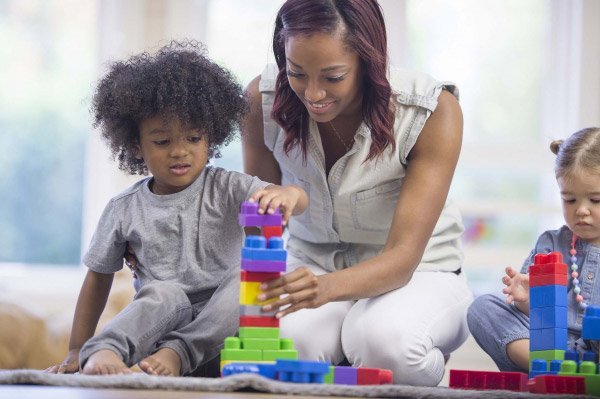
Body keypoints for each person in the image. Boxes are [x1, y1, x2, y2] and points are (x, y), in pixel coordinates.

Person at [241, 0, 471, 386]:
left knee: (385, 343)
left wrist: (326, 289)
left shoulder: (431, 111)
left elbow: (402, 259)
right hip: (313, 264)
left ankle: (399, 371)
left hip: (420, 272)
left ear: (369, 61)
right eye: (297, 73)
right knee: (281, 345)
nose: (312, 94)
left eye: (332, 77)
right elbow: (259, 224)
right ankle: (350, 367)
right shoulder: (261, 101)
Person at [45, 41, 308, 377]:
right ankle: (105, 351)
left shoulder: (229, 186)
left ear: (211, 138)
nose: (180, 152)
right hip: (158, 336)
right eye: (163, 141)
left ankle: (180, 353)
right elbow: (98, 279)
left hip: (225, 334)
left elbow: (299, 200)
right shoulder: (123, 209)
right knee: (165, 293)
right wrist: (76, 348)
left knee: (248, 279)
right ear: (137, 147)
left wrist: (288, 194)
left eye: (193, 138)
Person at [468, 127, 600, 372]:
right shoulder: (550, 244)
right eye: (570, 200)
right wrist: (527, 301)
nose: (581, 210)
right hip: (546, 345)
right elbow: (535, 317)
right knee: (483, 308)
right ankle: (549, 368)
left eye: (595, 200)